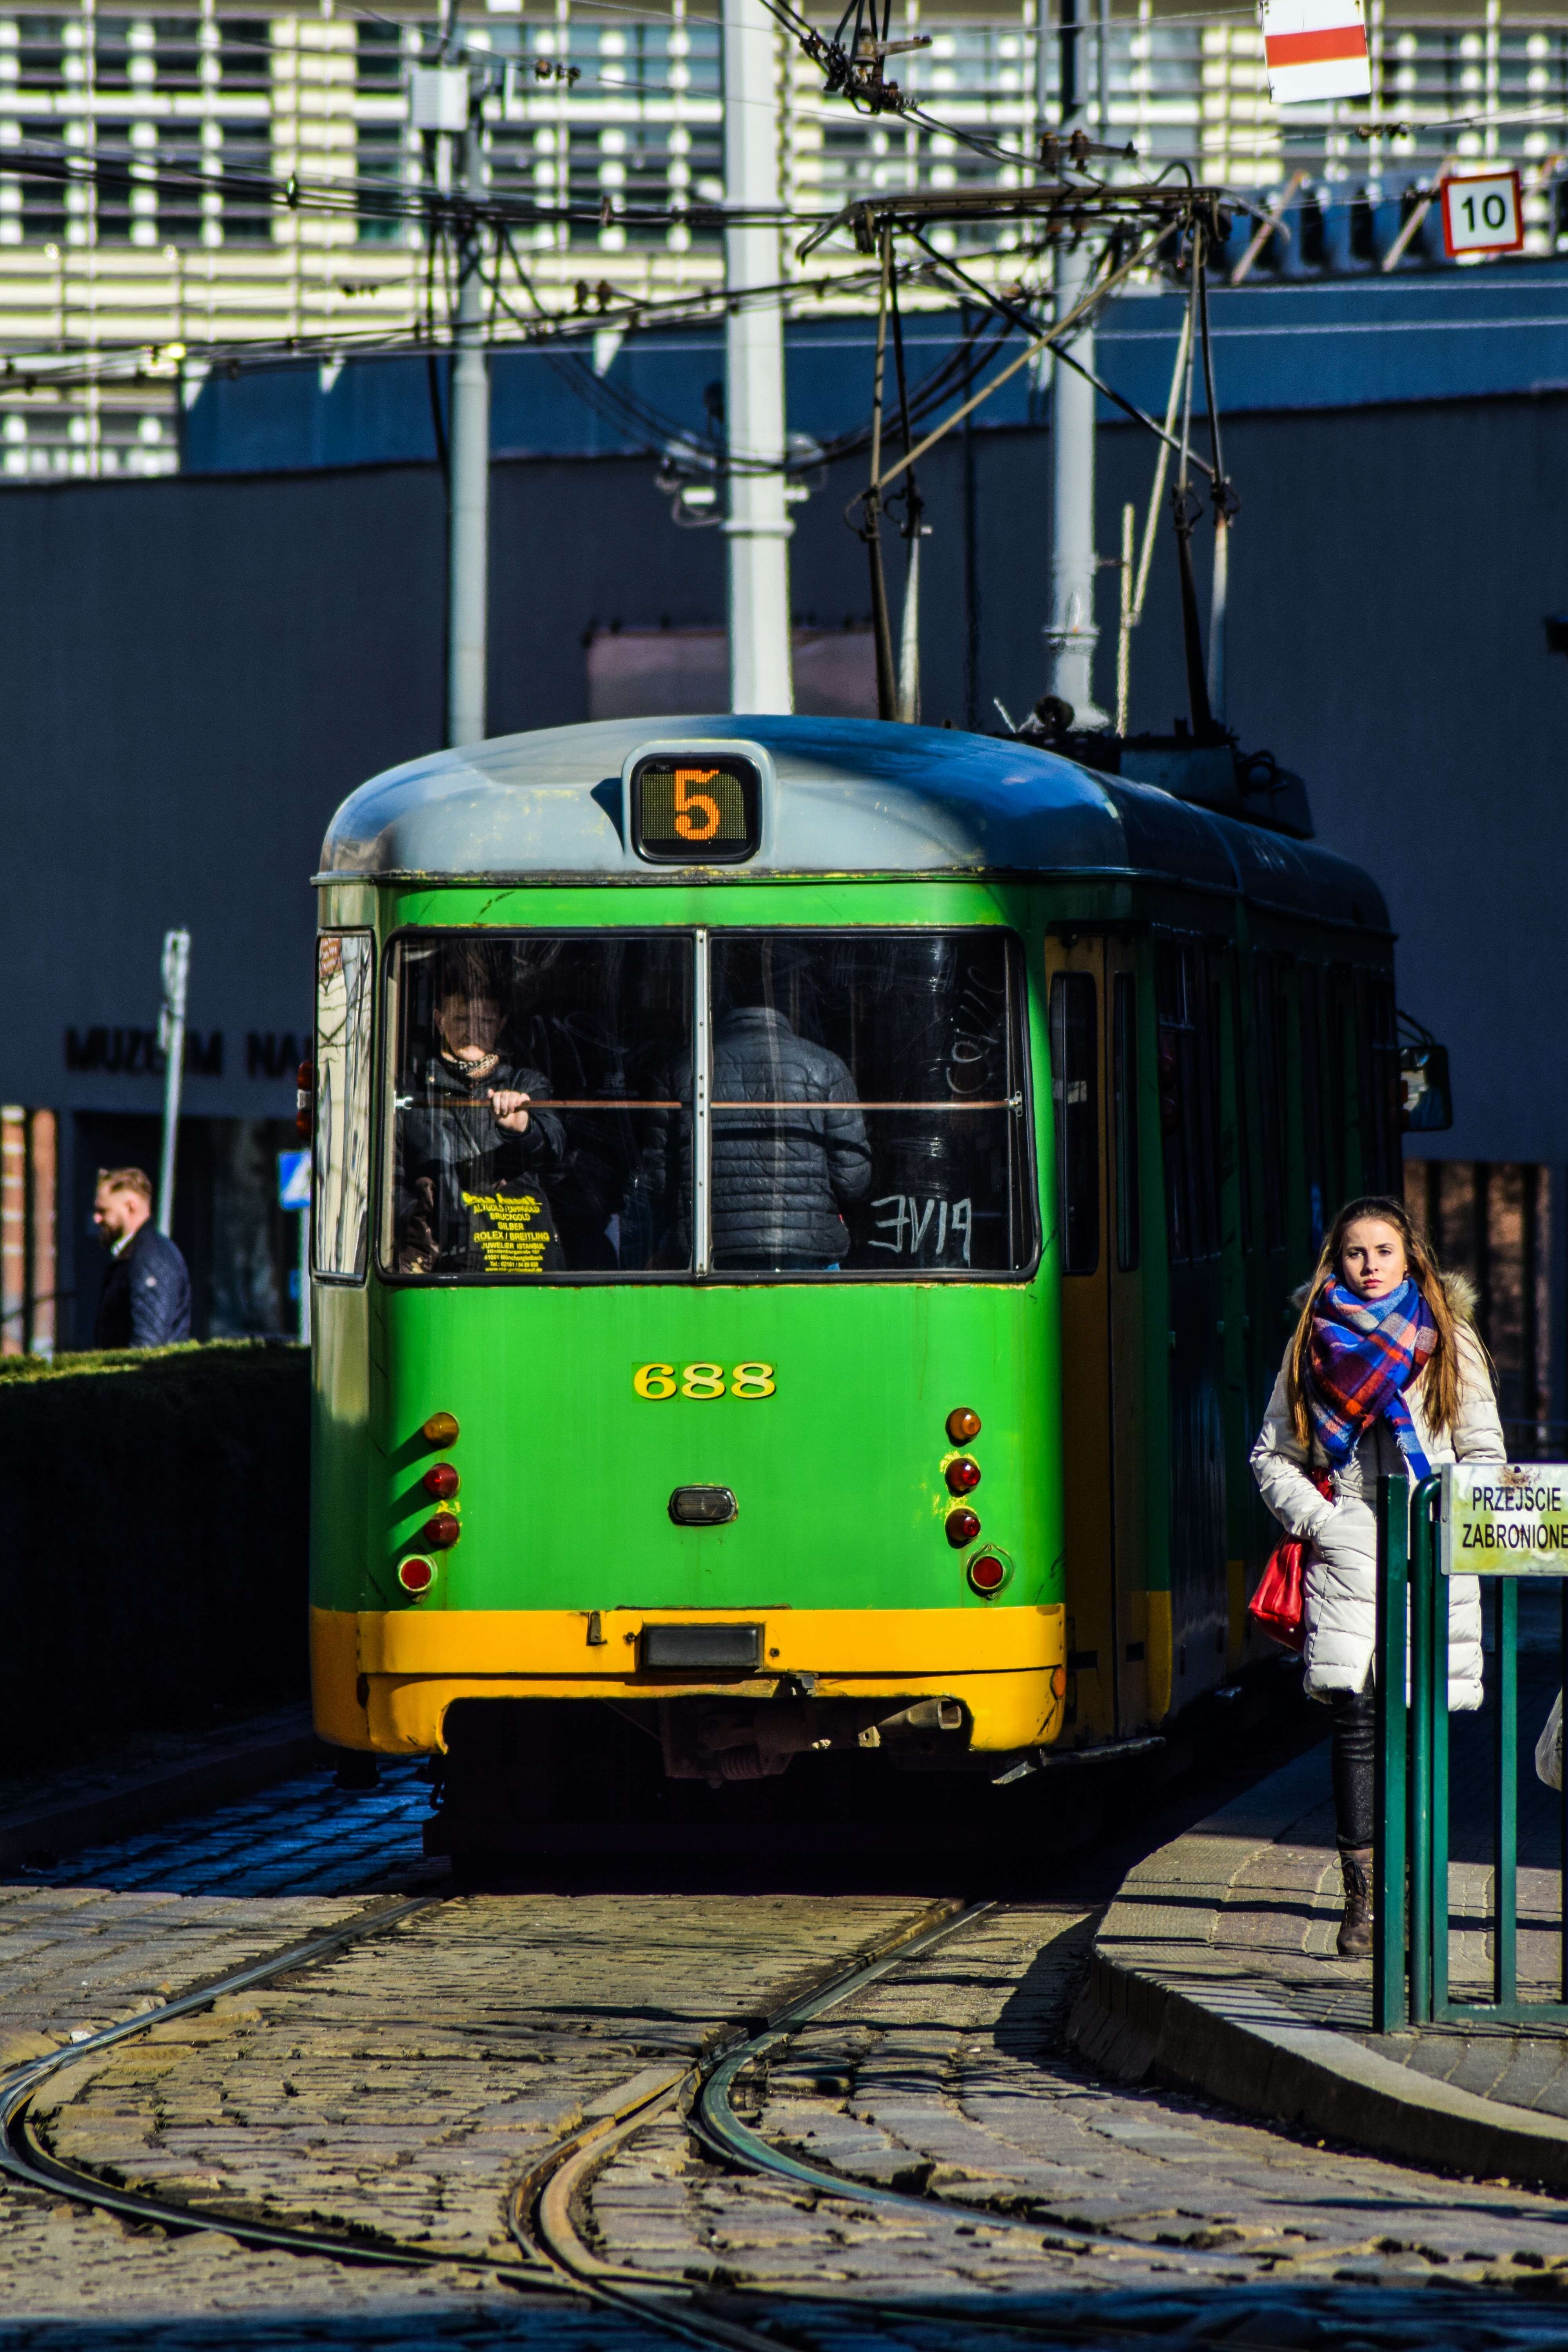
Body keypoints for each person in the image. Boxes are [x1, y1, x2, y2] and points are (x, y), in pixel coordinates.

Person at [1250, 1194, 1504, 1959]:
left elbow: (1483, 1455)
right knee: (1355, 1726)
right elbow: (1270, 1455)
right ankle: (1362, 1905)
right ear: (1336, 1261)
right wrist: (1323, 1523)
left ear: (1409, 1258)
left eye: (1381, 1252)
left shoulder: (1445, 1341)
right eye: (1353, 1253)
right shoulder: (1309, 1343)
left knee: (1419, 1728)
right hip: (1350, 1551)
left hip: (1427, 1550)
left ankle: (1416, 1893)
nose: (1367, 1266)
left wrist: (1447, 1516)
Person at [648, 997, 872, 1271]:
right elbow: (854, 1180)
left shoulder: (682, 1069)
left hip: (708, 1246)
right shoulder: (825, 1066)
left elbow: (658, 1180)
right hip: (807, 1247)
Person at [394, 956, 565, 1275]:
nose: (472, 1032)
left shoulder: (526, 1083)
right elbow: (386, 1177)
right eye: (460, 1019)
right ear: (439, 1020)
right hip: (439, 1262)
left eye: (484, 1022)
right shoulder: (411, 1091)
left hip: (518, 1259)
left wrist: (522, 1126)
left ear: (501, 1023)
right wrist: (418, 1213)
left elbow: (554, 1144)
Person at [93, 1167, 191, 1348]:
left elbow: (148, 1347)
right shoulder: (138, 1253)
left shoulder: (151, 1256)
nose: (97, 1219)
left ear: (131, 1207)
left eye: (104, 1211)